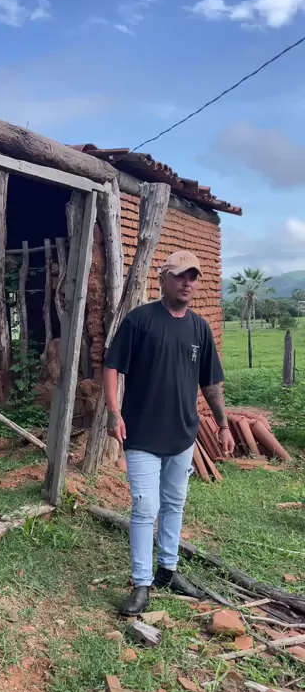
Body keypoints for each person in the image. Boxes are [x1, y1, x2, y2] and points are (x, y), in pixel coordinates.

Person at [103, 250, 234, 616]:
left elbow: (211, 384)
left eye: (193, 277)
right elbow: (112, 367)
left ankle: (168, 570)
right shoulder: (140, 320)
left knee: (175, 503)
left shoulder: (199, 328)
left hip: (182, 435)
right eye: (180, 275)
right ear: (162, 278)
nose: (187, 283)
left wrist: (223, 425)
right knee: (145, 506)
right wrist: (114, 412)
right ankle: (141, 583)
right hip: (142, 433)